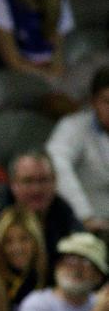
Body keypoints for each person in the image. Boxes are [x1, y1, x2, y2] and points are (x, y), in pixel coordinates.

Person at [45, 66, 109, 239]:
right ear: (94, 101)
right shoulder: (73, 126)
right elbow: (56, 164)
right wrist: (85, 215)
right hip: (85, 224)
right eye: (107, 102)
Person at [0, 151, 82, 273]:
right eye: (28, 181)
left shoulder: (63, 212)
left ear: (55, 181)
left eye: (43, 180)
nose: (36, 189)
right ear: (13, 184)